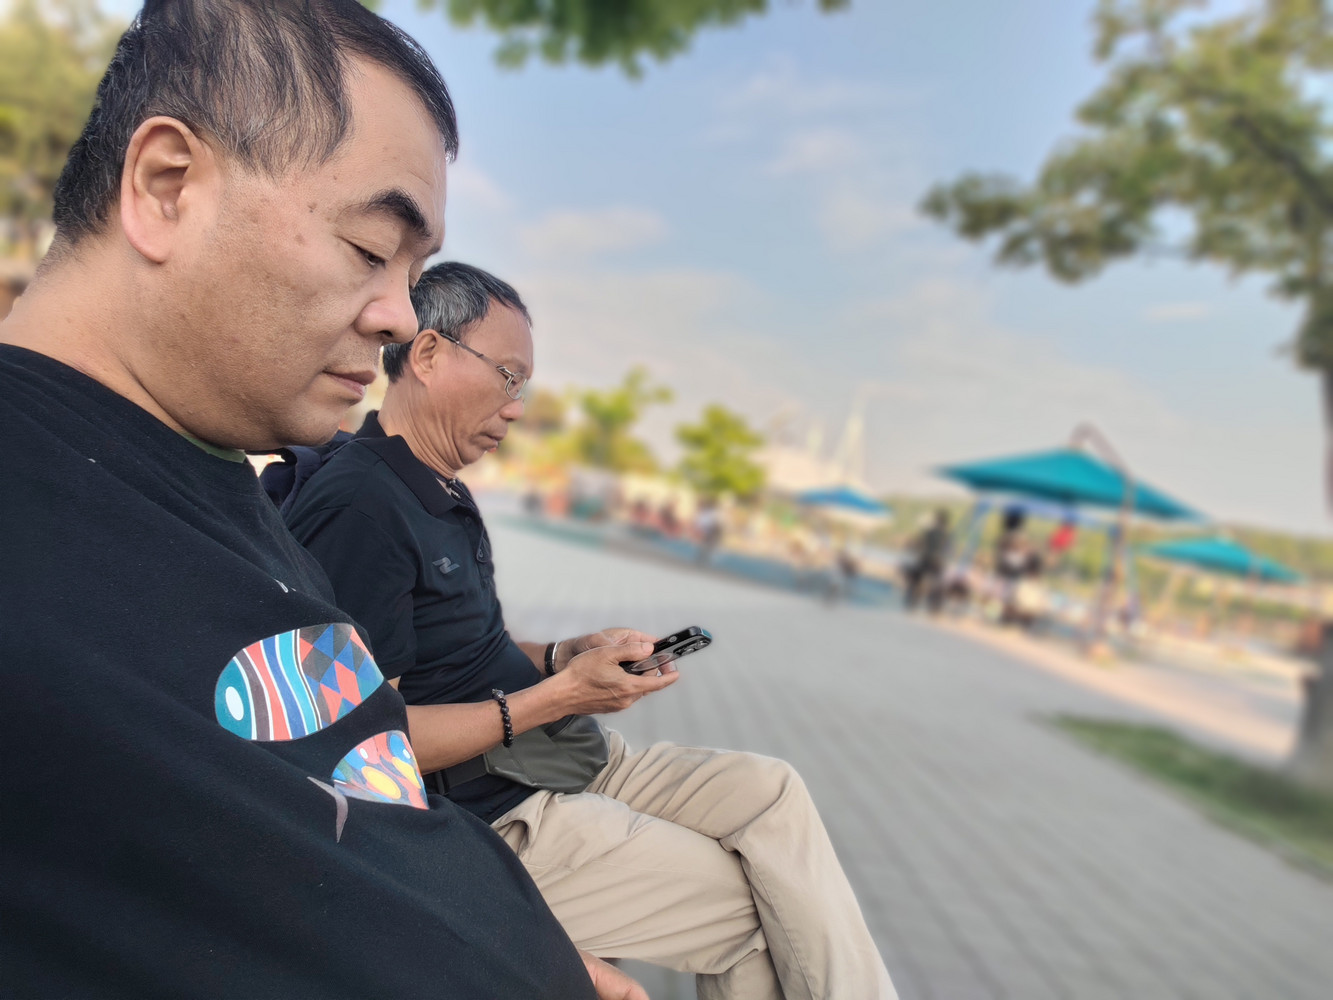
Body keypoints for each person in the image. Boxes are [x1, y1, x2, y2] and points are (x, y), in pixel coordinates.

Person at [0, 3, 642, 997]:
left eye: (415, 272)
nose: (399, 320)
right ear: (168, 188)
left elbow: (358, 778)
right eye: (370, 249)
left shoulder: (222, 483)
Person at [276, 262, 899, 1000]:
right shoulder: (361, 507)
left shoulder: (438, 488)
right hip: (497, 805)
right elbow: (360, 742)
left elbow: (457, 649)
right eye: (507, 376)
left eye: (524, 386)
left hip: (560, 751)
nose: (516, 407)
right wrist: (561, 695)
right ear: (430, 353)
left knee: (771, 792)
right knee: (754, 906)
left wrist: (561, 657)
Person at [904, 509, 951, 612]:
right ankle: (934, 607)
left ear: (936, 520)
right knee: (938, 584)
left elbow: (919, 544)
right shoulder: (947, 535)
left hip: (925, 559)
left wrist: (914, 549)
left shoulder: (929, 532)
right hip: (937, 562)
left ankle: (912, 602)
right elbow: (948, 551)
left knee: (915, 580)